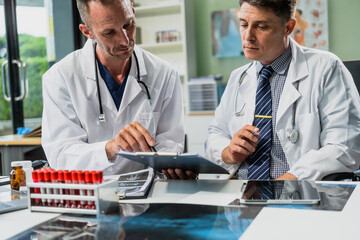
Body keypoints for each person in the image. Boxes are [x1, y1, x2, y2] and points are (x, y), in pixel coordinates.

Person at [205, 0, 360, 180]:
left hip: (297, 196)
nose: (248, 36)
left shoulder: (326, 68)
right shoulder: (238, 77)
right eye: (243, 24)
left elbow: (344, 147)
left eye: (261, 27)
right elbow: (215, 134)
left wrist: (285, 184)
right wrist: (230, 152)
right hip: (240, 193)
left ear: (288, 27)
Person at [41, 0, 188, 176]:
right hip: (91, 194)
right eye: (109, 32)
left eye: (128, 24)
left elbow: (170, 144)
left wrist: (175, 168)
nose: (125, 40)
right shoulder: (60, 77)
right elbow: (61, 156)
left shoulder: (164, 74)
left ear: (132, 10)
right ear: (88, 32)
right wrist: (110, 148)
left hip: (150, 194)